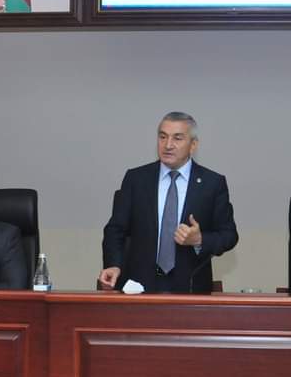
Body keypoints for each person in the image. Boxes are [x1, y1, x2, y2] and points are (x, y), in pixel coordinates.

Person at [99, 112, 238, 294]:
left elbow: (229, 235)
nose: (168, 145)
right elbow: (115, 229)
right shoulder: (136, 179)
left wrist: (199, 240)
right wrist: (114, 264)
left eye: (177, 138)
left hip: (190, 289)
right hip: (139, 287)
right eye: (162, 137)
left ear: (193, 145)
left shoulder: (212, 183)